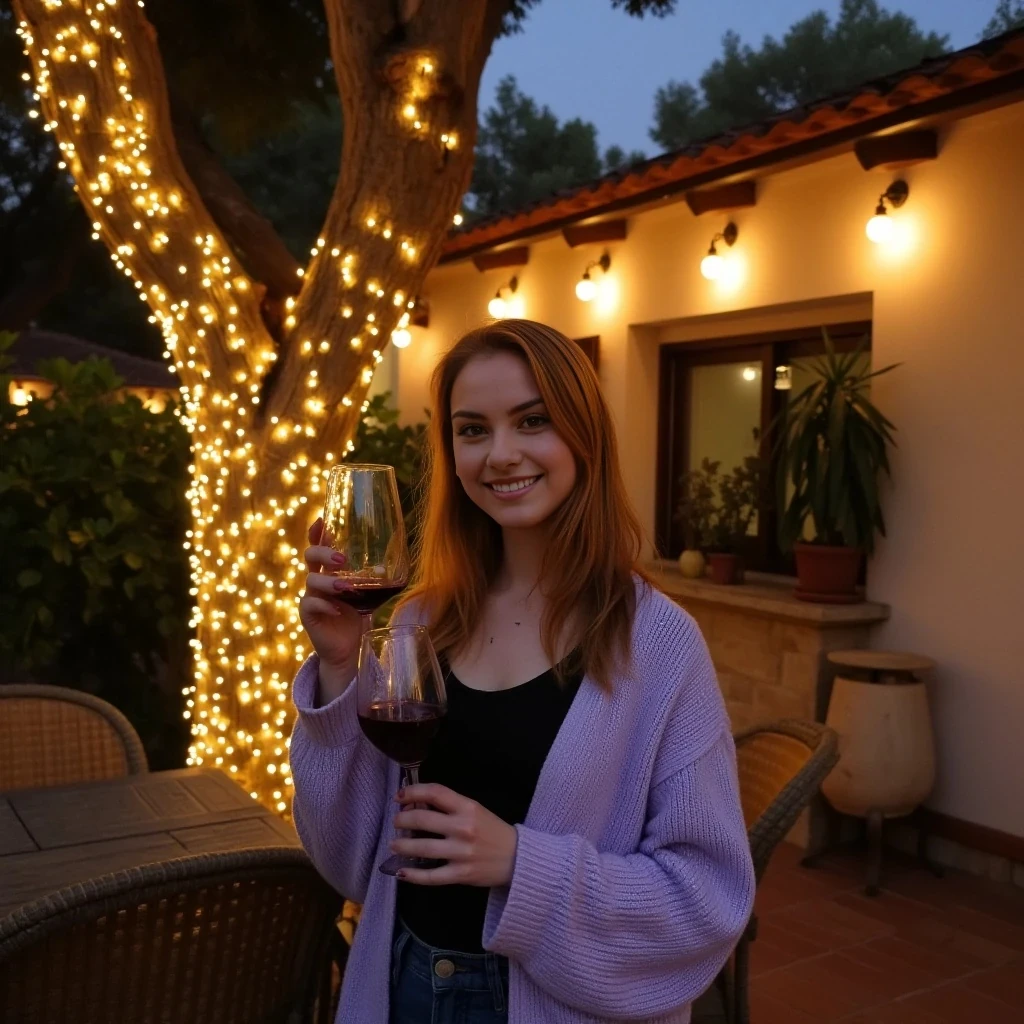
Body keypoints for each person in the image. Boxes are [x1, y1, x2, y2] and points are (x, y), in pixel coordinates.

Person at [290, 319, 755, 1024]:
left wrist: (520, 864)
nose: (500, 454)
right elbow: (350, 861)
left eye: (531, 421)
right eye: (472, 430)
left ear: (582, 434)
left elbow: (706, 900)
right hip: (399, 983)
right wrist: (336, 667)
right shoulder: (419, 622)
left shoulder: (660, 647)